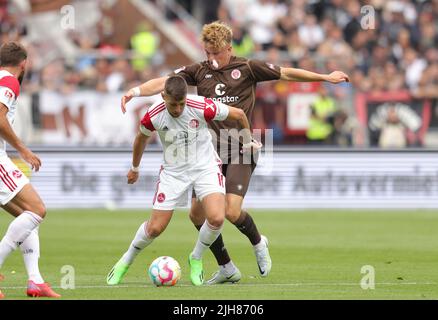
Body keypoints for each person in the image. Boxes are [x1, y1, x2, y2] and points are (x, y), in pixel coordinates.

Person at [120, 21, 349, 284]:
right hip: (208, 153)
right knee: (196, 214)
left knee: (230, 211)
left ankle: (258, 242)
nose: (211, 60)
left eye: (216, 54)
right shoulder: (200, 71)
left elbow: (287, 73)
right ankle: (226, 267)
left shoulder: (248, 67)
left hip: (242, 145)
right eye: (207, 53)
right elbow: (166, 82)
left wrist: (325, 77)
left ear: (228, 48)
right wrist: (135, 91)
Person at [107, 75, 261, 286]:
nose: (178, 109)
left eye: (181, 104)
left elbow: (239, 114)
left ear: (186, 98)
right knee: (155, 229)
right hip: (173, 173)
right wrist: (134, 168)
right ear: (163, 96)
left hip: (205, 167)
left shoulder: (200, 105)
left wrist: (248, 139)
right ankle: (126, 260)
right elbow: (140, 139)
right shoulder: (153, 116)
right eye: (173, 104)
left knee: (216, 218)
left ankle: (196, 257)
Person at [0, 42, 60, 298]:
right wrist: (23, 149)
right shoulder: (10, 81)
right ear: (23, 63)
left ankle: (35, 280)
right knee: (37, 209)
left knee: (27, 218)